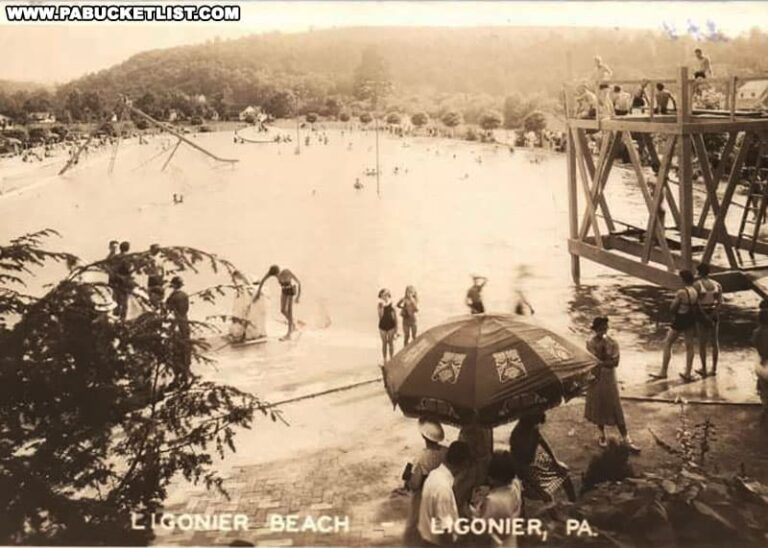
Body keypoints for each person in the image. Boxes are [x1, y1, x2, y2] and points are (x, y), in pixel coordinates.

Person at [585, 317, 641, 452]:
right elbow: (591, 362)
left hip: (609, 378)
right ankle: (601, 434)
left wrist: (600, 362)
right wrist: (601, 362)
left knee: (615, 405)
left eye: (604, 328)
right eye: (599, 329)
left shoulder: (613, 343)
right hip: (596, 377)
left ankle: (626, 436)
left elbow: (614, 363)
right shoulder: (590, 343)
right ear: (595, 329)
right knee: (599, 405)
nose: (602, 331)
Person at [509, 411, 575, 503]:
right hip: (523, 472)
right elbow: (520, 466)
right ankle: (553, 513)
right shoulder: (517, 436)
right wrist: (539, 488)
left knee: (563, 471)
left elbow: (543, 443)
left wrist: (555, 461)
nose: (537, 425)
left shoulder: (533, 428)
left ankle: (574, 503)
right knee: (545, 494)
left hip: (533, 463)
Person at [418, 441, 471, 546]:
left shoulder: (434, 474)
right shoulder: (443, 489)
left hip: (428, 539)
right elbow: (445, 529)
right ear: (464, 464)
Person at [403, 419, 447, 544]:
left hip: (424, 498)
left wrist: (408, 482)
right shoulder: (446, 452)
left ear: (423, 436)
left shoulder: (421, 457)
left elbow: (415, 484)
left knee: (417, 530)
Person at [652, 270, 699, 382]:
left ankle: (663, 371)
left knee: (668, 343)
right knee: (690, 346)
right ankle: (688, 372)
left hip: (681, 318)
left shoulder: (681, 292)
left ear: (683, 279)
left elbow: (672, 308)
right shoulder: (695, 291)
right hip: (690, 318)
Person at [469, 451, 523, 548]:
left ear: (491, 478)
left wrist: (472, 511)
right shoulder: (516, 485)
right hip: (510, 539)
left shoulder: (492, 501)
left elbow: (481, 529)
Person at [254, 265, 301, 341]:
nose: (277, 277)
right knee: (282, 310)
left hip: (291, 290)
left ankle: (289, 334)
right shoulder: (272, 273)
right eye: (276, 276)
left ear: (279, 271)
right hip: (284, 291)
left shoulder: (286, 272)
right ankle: (293, 324)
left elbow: (298, 282)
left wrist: (298, 296)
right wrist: (258, 293)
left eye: (278, 275)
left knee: (289, 312)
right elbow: (263, 280)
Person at [693, 263, 723, 377]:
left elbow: (697, 303)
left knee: (702, 343)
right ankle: (714, 369)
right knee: (715, 342)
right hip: (714, 314)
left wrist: (705, 315)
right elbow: (720, 302)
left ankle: (704, 368)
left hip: (702, 314)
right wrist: (713, 313)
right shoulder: (717, 285)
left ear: (699, 272)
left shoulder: (697, 285)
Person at [166, 276, 191, 375]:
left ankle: (178, 374)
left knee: (176, 349)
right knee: (185, 347)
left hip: (176, 323)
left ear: (174, 285)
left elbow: (168, 309)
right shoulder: (185, 295)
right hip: (185, 321)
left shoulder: (173, 297)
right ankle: (186, 373)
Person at [751, 311, 768, 423]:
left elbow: (755, 344)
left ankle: (765, 408)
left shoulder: (756, 332)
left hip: (763, 364)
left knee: (764, 388)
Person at [113, 241, 133, 321]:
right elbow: (129, 269)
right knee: (124, 301)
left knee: (116, 299)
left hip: (116, 280)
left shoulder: (116, 257)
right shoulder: (128, 258)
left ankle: (116, 315)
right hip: (124, 281)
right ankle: (122, 318)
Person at [378, 289, 398, 363]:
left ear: (388, 295)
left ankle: (391, 358)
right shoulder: (380, 304)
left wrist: (396, 328)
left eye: (386, 295)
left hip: (391, 325)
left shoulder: (392, 304)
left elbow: (395, 317)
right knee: (384, 343)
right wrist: (382, 307)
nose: (385, 296)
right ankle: (385, 359)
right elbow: (380, 316)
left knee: (391, 342)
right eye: (383, 295)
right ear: (381, 296)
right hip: (382, 325)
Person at [146, 243, 165, 308]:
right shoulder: (160, 258)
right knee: (157, 295)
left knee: (154, 295)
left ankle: (156, 308)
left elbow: (151, 269)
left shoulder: (154, 259)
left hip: (154, 278)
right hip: (157, 278)